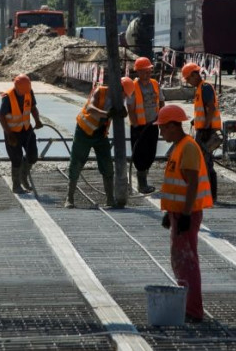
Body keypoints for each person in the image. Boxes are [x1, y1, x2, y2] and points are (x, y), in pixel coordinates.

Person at [155, 104, 213, 323]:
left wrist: (186, 214)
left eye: (162, 128)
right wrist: (170, 211)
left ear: (172, 126)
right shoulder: (179, 146)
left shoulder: (187, 147)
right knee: (181, 261)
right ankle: (188, 307)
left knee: (187, 262)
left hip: (185, 214)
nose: (161, 133)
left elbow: (191, 184)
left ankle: (193, 310)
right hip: (178, 213)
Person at [63, 77, 135, 209]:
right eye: (124, 94)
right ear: (118, 88)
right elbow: (90, 108)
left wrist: (121, 113)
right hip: (84, 131)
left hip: (100, 134)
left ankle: (109, 199)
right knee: (76, 163)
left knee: (107, 165)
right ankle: (69, 197)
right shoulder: (100, 91)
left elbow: (119, 112)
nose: (124, 97)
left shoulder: (118, 100)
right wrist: (107, 114)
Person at [0, 74, 44, 194]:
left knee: (33, 156)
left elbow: (33, 108)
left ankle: (23, 177)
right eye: (21, 92)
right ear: (16, 88)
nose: (24, 94)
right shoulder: (8, 97)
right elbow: (1, 117)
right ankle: (16, 185)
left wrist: (37, 120)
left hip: (26, 129)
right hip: (12, 132)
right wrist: (9, 134)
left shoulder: (28, 92)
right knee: (16, 158)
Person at [182, 63, 220, 203]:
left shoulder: (205, 88)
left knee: (206, 163)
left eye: (188, 79)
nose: (188, 82)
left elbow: (211, 109)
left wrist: (205, 128)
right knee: (203, 162)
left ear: (194, 74)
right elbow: (203, 110)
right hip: (203, 129)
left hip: (206, 130)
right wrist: (196, 121)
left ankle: (210, 194)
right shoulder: (200, 88)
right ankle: (207, 192)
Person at [126, 57, 163, 194]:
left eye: (149, 71)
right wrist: (135, 124)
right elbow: (130, 107)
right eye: (144, 71)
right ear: (138, 72)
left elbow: (161, 101)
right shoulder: (133, 87)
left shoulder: (154, 84)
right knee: (140, 156)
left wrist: (161, 117)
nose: (147, 74)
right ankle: (142, 183)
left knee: (151, 154)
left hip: (153, 125)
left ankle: (143, 178)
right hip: (139, 127)